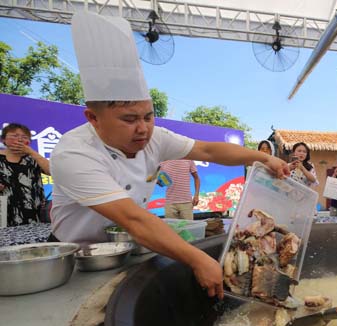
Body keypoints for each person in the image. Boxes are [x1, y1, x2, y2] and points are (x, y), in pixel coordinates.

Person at [50, 12, 289, 299]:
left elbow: (208, 149)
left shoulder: (155, 138)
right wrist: (197, 258)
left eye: (149, 116)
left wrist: (262, 158)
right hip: (80, 262)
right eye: (129, 119)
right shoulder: (74, 153)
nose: (143, 129)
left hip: (132, 250)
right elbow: (134, 219)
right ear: (93, 118)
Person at [0, 123, 50, 226]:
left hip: (32, 209)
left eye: (24, 137)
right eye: (15, 135)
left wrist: (32, 152)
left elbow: (52, 171)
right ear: (3, 140)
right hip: (3, 209)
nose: (20, 139)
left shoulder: (33, 158)